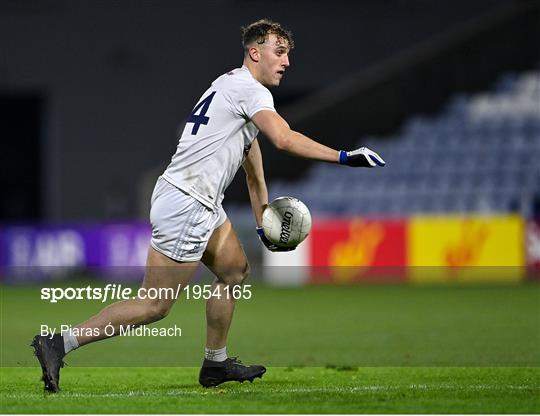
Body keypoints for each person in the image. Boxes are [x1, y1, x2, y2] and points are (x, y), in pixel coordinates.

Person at [31, 18, 385, 393]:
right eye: (279, 52)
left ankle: (215, 364)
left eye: (287, 54)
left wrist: (264, 223)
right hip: (188, 203)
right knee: (154, 305)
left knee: (234, 270)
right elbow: (283, 139)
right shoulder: (252, 92)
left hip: (195, 199)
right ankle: (59, 343)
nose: (286, 62)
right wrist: (344, 156)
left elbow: (254, 171)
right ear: (255, 52)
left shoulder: (231, 85)